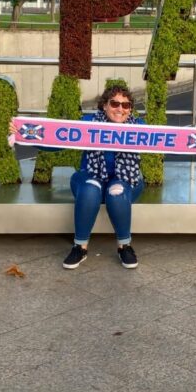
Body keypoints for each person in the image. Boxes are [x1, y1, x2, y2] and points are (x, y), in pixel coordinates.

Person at [63, 84, 145, 270]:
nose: (120, 109)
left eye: (125, 105)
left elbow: (173, 141)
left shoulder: (139, 127)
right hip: (90, 177)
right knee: (91, 188)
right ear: (105, 105)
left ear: (130, 109)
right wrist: (24, 134)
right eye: (115, 103)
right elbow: (56, 139)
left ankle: (124, 246)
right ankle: (80, 247)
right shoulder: (89, 122)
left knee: (116, 191)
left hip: (126, 180)